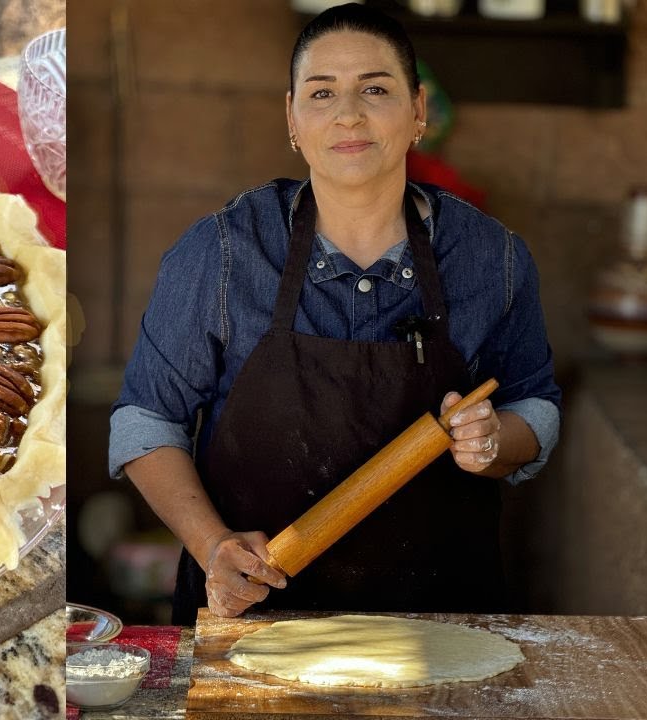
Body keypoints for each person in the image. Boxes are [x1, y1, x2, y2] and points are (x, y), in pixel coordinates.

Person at [109, 3, 561, 626]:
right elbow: (145, 419)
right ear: (292, 117)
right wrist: (212, 544)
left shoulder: (494, 257)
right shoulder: (223, 252)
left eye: (375, 88)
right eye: (322, 93)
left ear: (418, 111)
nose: (348, 114)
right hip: (254, 622)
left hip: (441, 630)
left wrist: (494, 441)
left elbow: (535, 405)